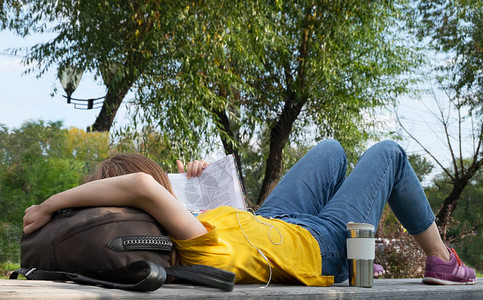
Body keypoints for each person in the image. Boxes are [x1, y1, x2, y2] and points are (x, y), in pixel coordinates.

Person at [23, 140, 477, 286]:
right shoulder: (187, 238)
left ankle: (360, 259)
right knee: (389, 154)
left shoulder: (185, 227)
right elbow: (141, 185)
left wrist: (194, 181)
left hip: (278, 227)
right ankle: (440, 259)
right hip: (319, 245)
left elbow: (244, 237)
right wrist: (47, 205)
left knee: (332, 151)